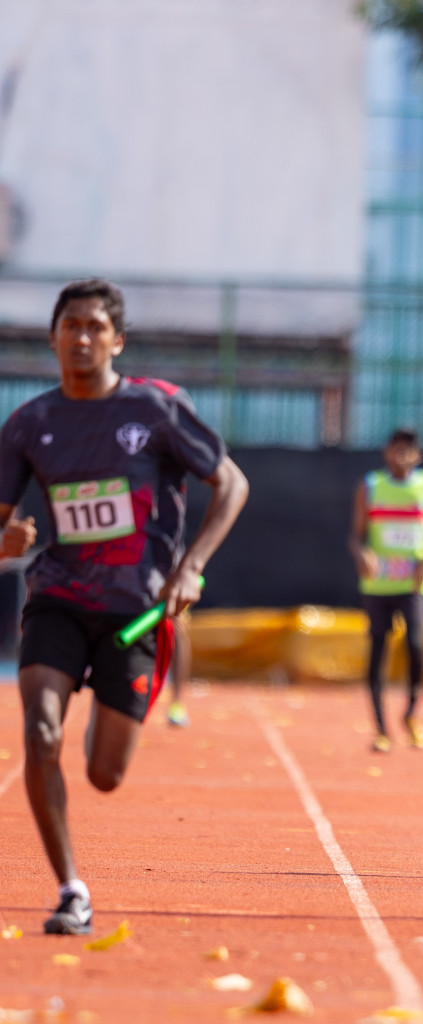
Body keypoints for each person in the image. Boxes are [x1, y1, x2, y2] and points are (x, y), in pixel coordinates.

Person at [0, 278, 248, 934]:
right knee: (38, 731)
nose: (81, 337)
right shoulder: (29, 424)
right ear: (52, 337)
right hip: (56, 598)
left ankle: (102, 710)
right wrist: (7, 543)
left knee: (105, 774)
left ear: (117, 340)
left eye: (94, 327)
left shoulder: (158, 409)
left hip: (135, 611)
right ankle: (70, 890)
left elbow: (231, 482)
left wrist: (191, 567)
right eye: (70, 325)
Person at [348, 428, 423, 753]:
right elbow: (355, 536)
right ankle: (381, 728)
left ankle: (410, 713)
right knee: (378, 647)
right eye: (396, 448)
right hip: (379, 583)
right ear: (386, 452)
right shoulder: (370, 486)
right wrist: (362, 552)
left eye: (409, 449)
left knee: (417, 643)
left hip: (416, 583)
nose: (402, 455)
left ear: (418, 455)